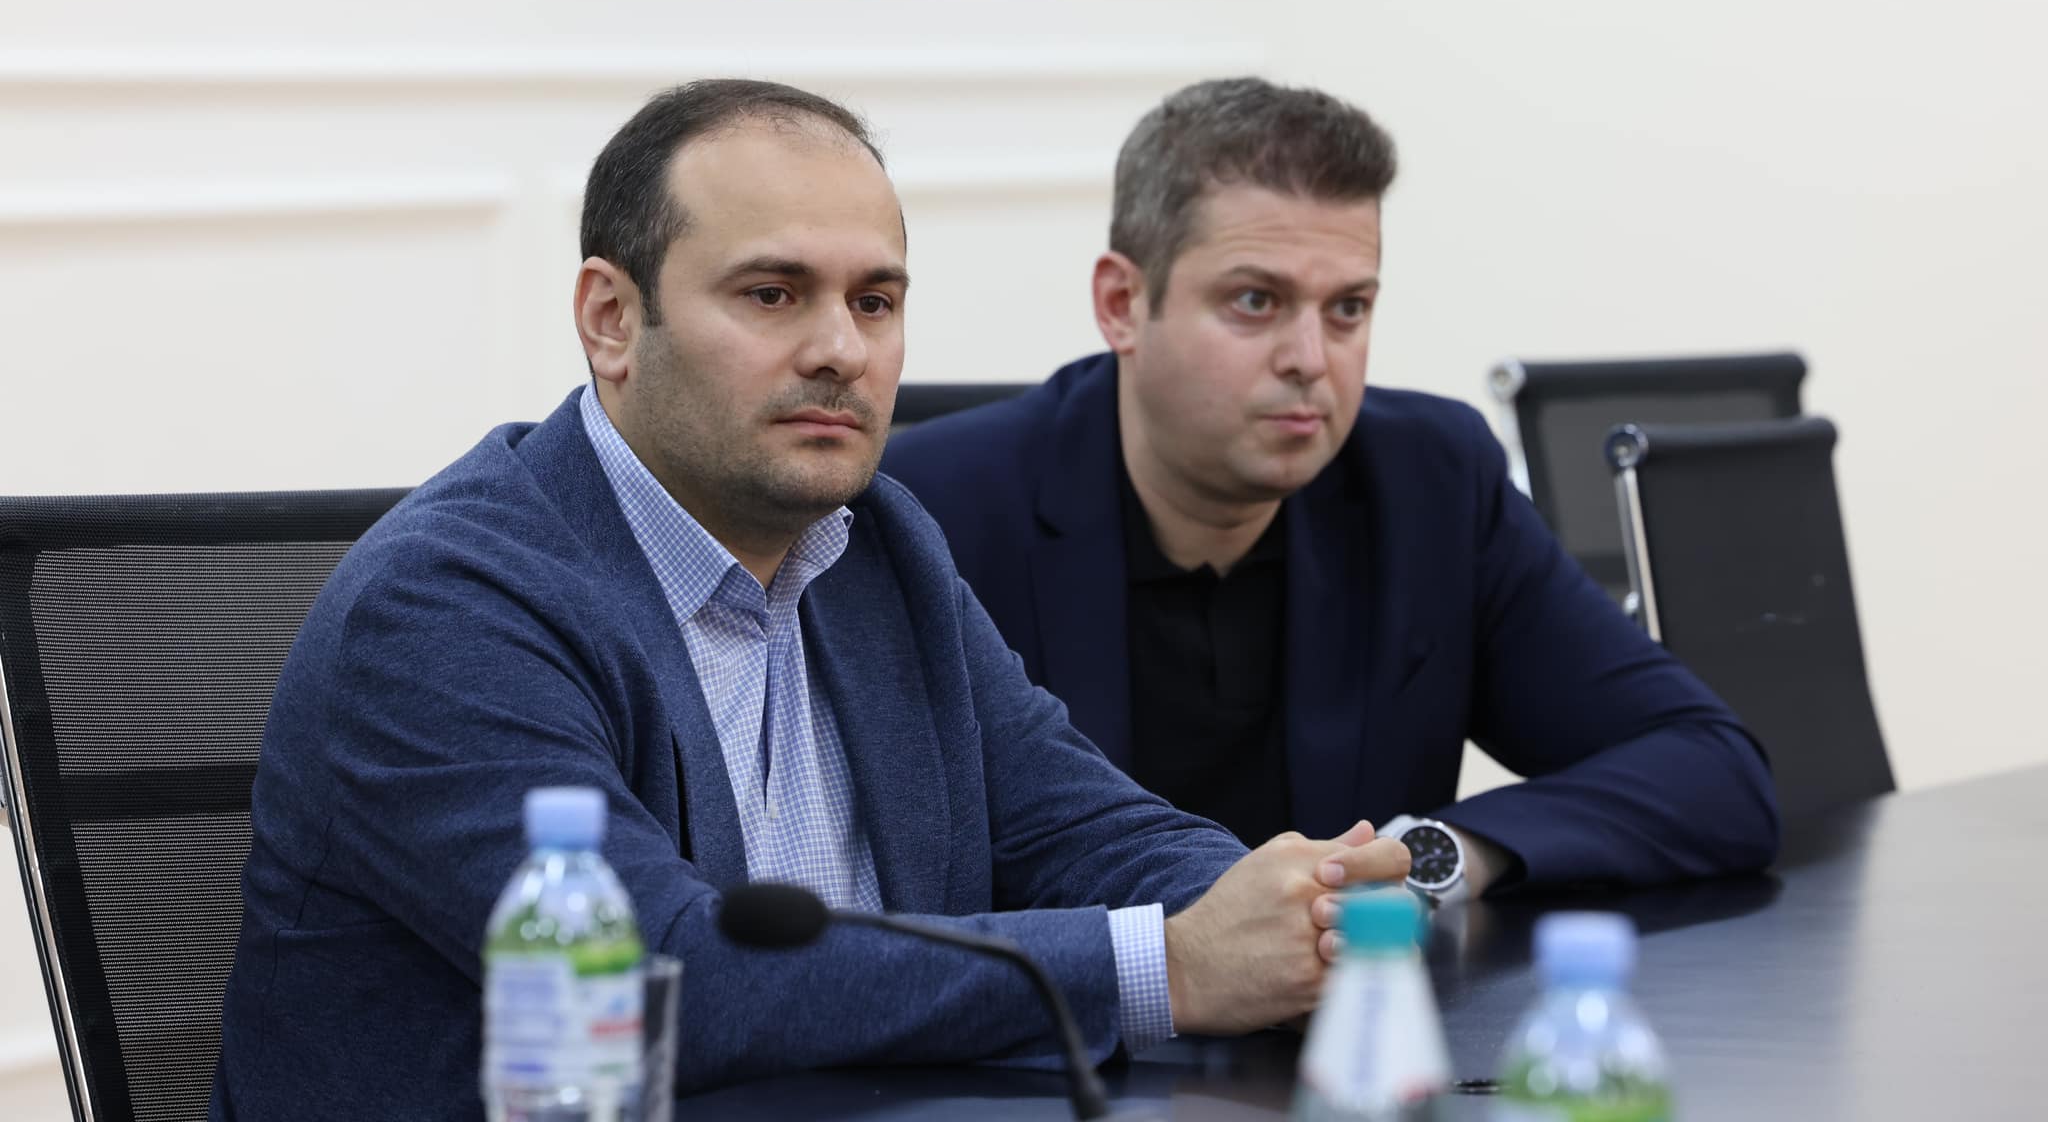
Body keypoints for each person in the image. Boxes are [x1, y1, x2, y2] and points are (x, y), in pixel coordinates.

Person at [210, 80, 1408, 1121]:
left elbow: (1074, 826)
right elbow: (662, 977)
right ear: (612, 320)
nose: (842, 349)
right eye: (773, 294)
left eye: (874, 301)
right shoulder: (444, 608)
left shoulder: (876, 541)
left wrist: (1284, 908)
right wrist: (1169, 966)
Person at [882, 77, 1780, 897]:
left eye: (1348, 308)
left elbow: (1713, 770)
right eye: (1255, 302)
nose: (1311, 360)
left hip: (1363, 1013)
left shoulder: (1430, 482)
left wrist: (1435, 856)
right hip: (1078, 1018)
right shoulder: (931, 509)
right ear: (1123, 305)